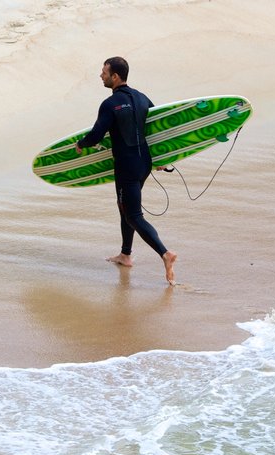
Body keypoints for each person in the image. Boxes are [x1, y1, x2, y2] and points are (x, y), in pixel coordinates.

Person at [75, 56, 178, 285]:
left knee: (133, 215)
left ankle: (165, 254)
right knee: (126, 208)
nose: (100, 75)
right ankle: (125, 255)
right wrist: (162, 158)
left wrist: (81, 144)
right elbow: (156, 128)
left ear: (115, 76)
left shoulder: (110, 104)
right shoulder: (142, 98)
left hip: (126, 165)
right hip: (144, 164)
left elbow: (96, 135)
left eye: (104, 72)